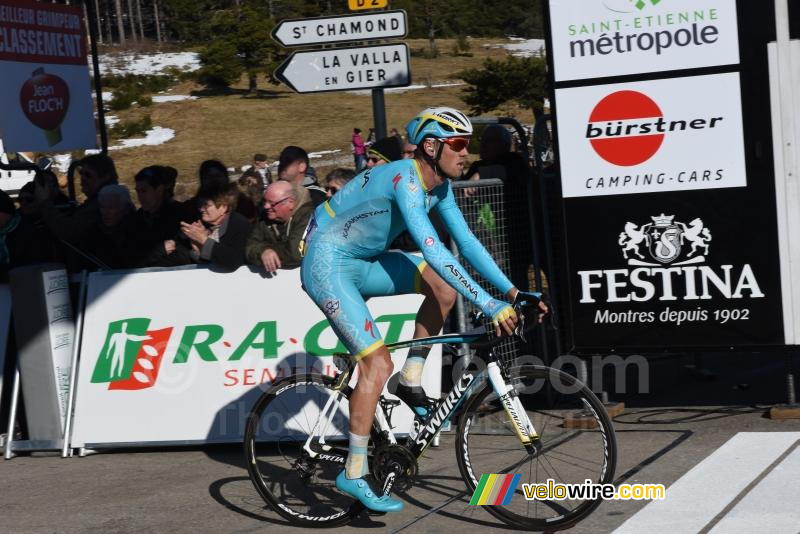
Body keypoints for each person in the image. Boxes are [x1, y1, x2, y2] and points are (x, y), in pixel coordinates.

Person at [300, 106, 547, 512]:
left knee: (441, 291)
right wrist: (487, 303)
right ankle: (354, 470)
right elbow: (432, 249)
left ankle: (411, 380)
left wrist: (513, 292)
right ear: (431, 146)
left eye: (466, 144)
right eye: (458, 145)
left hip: (363, 260)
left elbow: (466, 244)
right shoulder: (406, 181)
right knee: (376, 365)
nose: (465, 153)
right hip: (328, 264)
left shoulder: (439, 186)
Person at [245, 181, 314, 273]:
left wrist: (268, 249)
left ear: (290, 203)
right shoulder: (265, 218)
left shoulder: (309, 217)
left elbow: (296, 253)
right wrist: (263, 251)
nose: (266, 206)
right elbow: (250, 245)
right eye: (264, 201)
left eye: (272, 203)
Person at [180, 182, 251, 271]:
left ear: (223, 207)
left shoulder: (238, 224)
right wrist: (197, 248)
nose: (201, 209)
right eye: (200, 204)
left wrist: (204, 240)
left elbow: (232, 262)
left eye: (207, 205)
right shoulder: (204, 224)